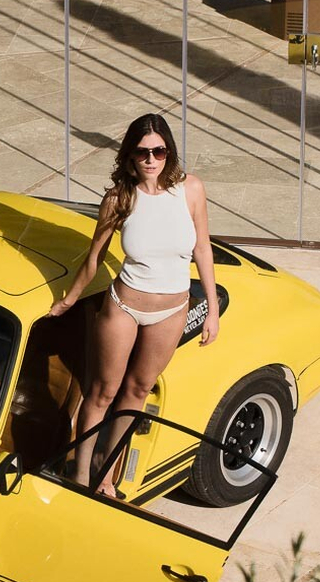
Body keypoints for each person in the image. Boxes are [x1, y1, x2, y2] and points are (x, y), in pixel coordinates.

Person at [47, 112, 218, 496]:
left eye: (159, 151)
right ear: (129, 156)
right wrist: (68, 300)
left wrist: (213, 309)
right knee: (103, 392)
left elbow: (203, 248)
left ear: (169, 152)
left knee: (138, 391)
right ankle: (78, 474)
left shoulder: (191, 190)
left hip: (172, 310)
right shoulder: (119, 199)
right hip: (123, 307)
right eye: (143, 153)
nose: (151, 159)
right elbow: (94, 257)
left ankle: (106, 473)